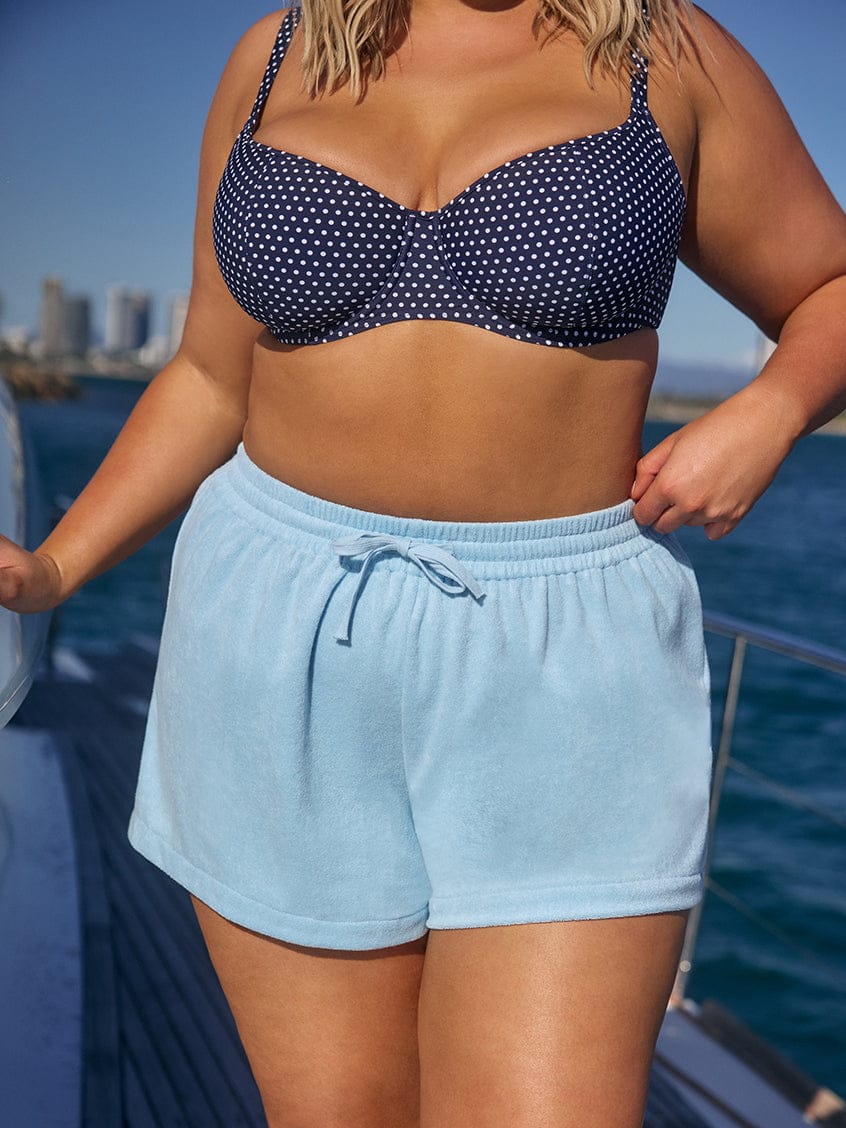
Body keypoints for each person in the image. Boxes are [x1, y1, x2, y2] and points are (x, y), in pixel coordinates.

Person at [3, 0, 846, 1124]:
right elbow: (211, 375)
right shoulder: (277, 54)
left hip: (563, 658)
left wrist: (774, 411)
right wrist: (52, 573)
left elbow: (831, 288)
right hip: (275, 634)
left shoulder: (660, 50)